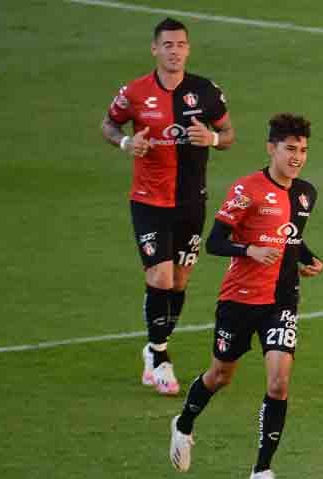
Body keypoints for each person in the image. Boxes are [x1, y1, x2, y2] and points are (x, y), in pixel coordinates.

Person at [168, 113, 323, 479]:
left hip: (282, 300)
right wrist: (249, 249)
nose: (297, 157)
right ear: (272, 148)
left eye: (303, 150)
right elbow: (215, 241)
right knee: (220, 376)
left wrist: (308, 258)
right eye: (290, 149)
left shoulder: (306, 193)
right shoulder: (247, 190)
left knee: (279, 381)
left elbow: (291, 237)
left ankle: (262, 469)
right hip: (239, 299)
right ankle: (184, 423)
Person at [101, 18, 235, 395]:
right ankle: (159, 356)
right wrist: (127, 144)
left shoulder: (206, 92)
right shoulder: (135, 93)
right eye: (168, 45)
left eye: (181, 44)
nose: (175, 51)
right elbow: (109, 125)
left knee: (179, 281)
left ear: (188, 49)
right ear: (154, 49)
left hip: (191, 200)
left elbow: (228, 135)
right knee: (160, 277)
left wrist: (210, 137)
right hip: (149, 200)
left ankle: (153, 345)